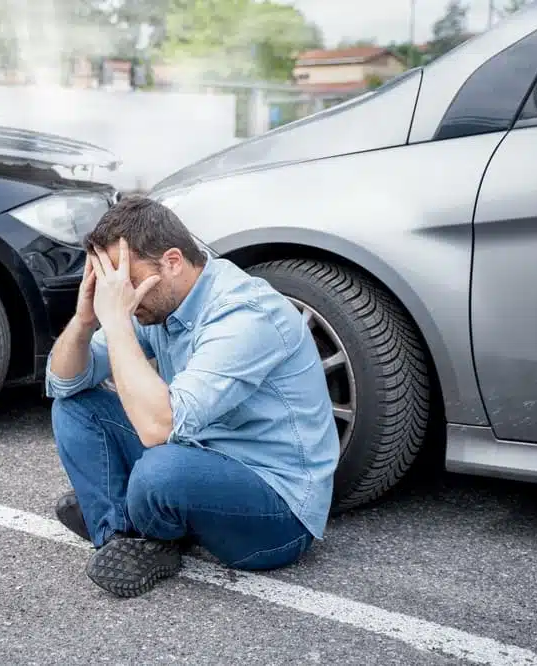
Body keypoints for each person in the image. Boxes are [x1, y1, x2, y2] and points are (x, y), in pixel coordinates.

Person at [45, 196, 340, 598]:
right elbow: (63, 382)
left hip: (277, 509)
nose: (121, 297)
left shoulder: (244, 313)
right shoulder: (160, 304)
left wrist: (116, 324)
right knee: (75, 408)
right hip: (196, 455)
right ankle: (121, 538)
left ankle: (141, 520)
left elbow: (158, 428)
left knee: (159, 472)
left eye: (127, 281)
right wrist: (85, 320)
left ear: (172, 262)